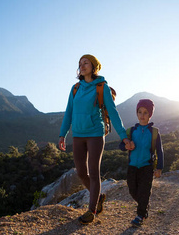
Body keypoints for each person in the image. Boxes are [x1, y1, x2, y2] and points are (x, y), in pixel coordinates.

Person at [58, 54, 129, 224]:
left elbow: (113, 112)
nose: (82, 66)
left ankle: (92, 210)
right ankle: (98, 197)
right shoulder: (75, 88)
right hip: (78, 135)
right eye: (80, 64)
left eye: (86, 63)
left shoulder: (101, 87)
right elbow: (68, 112)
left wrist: (124, 136)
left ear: (94, 66)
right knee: (82, 172)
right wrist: (63, 134)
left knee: (94, 172)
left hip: (95, 134)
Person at [120, 98, 164, 227]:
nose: (142, 115)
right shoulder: (131, 131)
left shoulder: (154, 132)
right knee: (133, 190)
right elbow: (121, 146)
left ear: (150, 114)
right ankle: (144, 206)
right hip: (132, 166)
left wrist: (159, 168)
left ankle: (140, 214)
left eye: (145, 112)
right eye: (140, 112)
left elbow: (160, 151)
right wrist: (126, 146)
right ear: (137, 113)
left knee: (144, 190)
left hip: (147, 167)